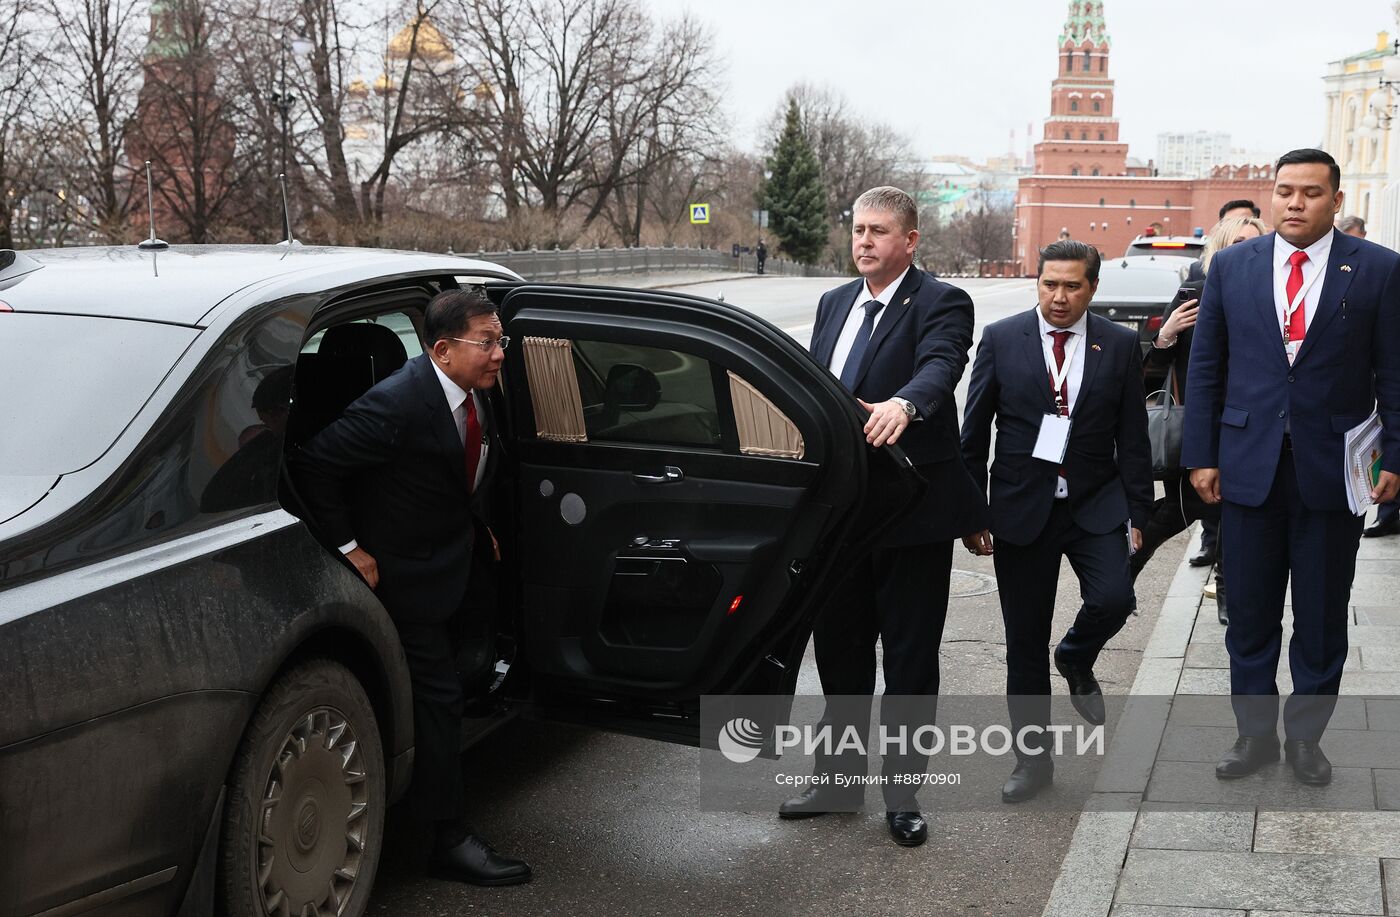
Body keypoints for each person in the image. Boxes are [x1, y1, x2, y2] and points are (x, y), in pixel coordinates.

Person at [289, 288, 530, 886]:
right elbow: (313, 465)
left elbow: (450, 471)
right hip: (404, 576)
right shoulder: (394, 405)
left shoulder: (476, 393)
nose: (501, 353)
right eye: (489, 342)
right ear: (444, 350)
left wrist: (476, 528)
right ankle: (445, 838)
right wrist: (351, 548)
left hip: (453, 557)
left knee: (460, 681)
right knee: (440, 700)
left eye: (501, 340)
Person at [1184, 148, 1400, 786]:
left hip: (1332, 471)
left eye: (1311, 193)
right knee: (1248, 613)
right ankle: (1254, 737)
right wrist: (1200, 454)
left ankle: (1307, 739)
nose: (1295, 203)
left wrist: (1395, 457)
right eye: (1284, 191)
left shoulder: (1379, 271)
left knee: (1322, 613)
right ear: (1270, 196)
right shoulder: (1231, 268)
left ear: (1335, 201)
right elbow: (1207, 368)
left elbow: (1393, 371)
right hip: (1247, 467)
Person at [780, 185, 986, 846]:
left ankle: (903, 797)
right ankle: (837, 784)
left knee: (909, 661)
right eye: (858, 230)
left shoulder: (941, 301)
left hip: (911, 514)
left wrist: (906, 404)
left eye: (877, 231)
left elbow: (940, 366)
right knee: (839, 658)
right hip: (841, 516)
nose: (863, 241)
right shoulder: (833, 302)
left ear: (910, 241)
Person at [961, 239, 1154, 803]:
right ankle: (1032, 761)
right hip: (1022, 510)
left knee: (1115, 598)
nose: (1059, 297)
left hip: (1094, 504)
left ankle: (1075, 655)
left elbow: (1133, 437)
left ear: (1093, 288)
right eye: (1050, 284)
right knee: (1024, 640)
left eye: (1072, 286)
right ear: (1037, 283)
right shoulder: (1002, 339)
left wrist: (1139, 510)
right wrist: (975, 511)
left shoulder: (1118, 345)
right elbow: (973, 435)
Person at [1132, 216, 1269, 625]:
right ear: (1220, 249)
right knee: (1174, 512)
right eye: (1238, 242)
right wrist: (1165, 335)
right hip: (1201, 426)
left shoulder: (1273, 297)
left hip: (1250, 429)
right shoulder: (1195, 293)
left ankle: (1228, 596)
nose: (1247, 250)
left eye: (1255, 243)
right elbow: (1150, 375)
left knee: (1236, 517)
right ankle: (1118, 582)